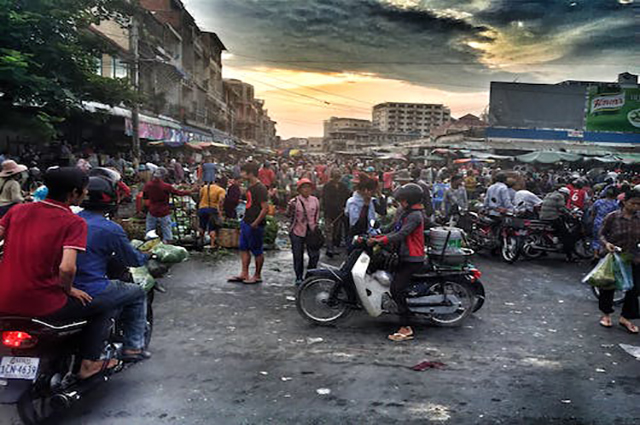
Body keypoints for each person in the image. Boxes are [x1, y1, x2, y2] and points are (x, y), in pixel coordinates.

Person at [0, 167, 117, 379]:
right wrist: (69, 289)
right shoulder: (73, 222)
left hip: (4, 298)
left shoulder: (18, 211)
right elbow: (67, 268)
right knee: (103, 305)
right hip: (43, 303)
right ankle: (89, 363)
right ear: (73, 193)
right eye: (84, 191)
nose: (85, 195)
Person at [75, 176, 151, 362]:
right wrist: (145, 255)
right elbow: (132, 259)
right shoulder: (110, 229)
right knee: (137, 292)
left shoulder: (70, 220)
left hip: (62, 286)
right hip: (89, 287)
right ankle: (133, 347)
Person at [368, 183, 425, 342]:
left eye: (403, 200)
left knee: (396, 288)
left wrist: (381, 240)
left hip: (412, 258)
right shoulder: (406, 212)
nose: (400, 202)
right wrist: (377, 233)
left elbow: (401, 234)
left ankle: (406, 326)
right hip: (404, 255)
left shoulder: (415, 216)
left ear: (410, 200)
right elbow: (393, 227)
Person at [598, 188, 640, 333]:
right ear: (624, 202)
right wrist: (606, 244)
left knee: (634, 289)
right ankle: (606, 315)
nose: (636, 207)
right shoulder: (612, 217)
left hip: (634, 257)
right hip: (614, 256)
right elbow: (602, 234)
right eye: (633, 203)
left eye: (639, 204)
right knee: (608, 286)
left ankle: (625, 317)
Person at [228, 162, 269, 285]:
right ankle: (244, 273)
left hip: (255, 224)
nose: (241, 174)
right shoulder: (250, 186)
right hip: (246, 221)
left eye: (243, 172)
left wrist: (256, 223)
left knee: (257, 250)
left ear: (250, 173)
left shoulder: (260, 188)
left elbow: (265, 208)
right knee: (243, 247)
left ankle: (257, 275)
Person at [142, 167, 192, 243]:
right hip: (164, 211)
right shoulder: (166, 186)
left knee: (150, 231)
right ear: (164, 176)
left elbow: (145, 197)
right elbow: (178, 193)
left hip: (152, 210)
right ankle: (167, 245)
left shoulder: (148, 185)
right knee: (167, 231)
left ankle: (149, 246)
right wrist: (190, 191)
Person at [287, 179, 321, 285]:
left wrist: (316, 227)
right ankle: (298, 277)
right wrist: (290, 208)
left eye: (308, 187)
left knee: (314, 255)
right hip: (297, 231)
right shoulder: (294, 202)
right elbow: (288, 215)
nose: (306, 190)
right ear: (299, 190)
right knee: (298, 255)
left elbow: (317, 214)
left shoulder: (315, 200)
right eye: (304, 187)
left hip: (312, 231)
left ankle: (310, 275)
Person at [540, 186, 574, 261]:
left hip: (542, 217)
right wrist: (570, 213)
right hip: (552, 218)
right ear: (565, 194)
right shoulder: (560, 196)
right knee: (566, 234)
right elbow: (562, 208)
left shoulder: (549, 194)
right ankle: (569, 256)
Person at [322, 169, 350, 257]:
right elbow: (326, 200)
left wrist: (344, 206)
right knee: (329, 229)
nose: (337, 179)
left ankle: (334, 246)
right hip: (329, 212)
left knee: (336, 231)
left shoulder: (343, 186)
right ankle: (329, 248)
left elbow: (347, 196)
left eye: (338, 177)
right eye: (335, 177)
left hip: (340, 213)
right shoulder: (327, 186)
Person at [345, 175, 378, 244]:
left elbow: (383, 211)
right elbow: (358, 225)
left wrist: (380, 195)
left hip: (372, 234)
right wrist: (365, 205)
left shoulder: (372, 200)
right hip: (358, 237)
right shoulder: (352, 202)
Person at [590, 187, 620, 257]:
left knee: (596, 238)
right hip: (610, 224)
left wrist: (592, 221)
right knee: (607, 239)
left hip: (597, 222)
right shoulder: (616, 204)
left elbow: (593, 212)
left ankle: (595, 254)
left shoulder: (598, 202)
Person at [198, 178, 226, 248]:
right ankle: (212, 244)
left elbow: (199, 197)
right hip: (212, 210)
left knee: (202, 226)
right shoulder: (221, 190)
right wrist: (220, 211)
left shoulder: (204, 187)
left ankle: (200, 241)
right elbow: (221, 201)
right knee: (212, 228)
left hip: (202, 209)